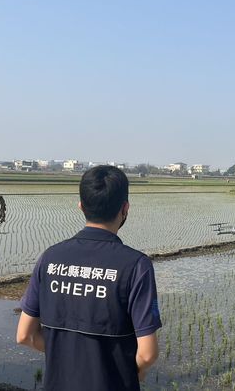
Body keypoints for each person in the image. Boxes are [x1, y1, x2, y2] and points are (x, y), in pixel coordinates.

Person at [16, 165, 161, 390]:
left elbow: (25, 335)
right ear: (125, 208)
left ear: (81, 206)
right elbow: (148, 353)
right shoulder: (136, 266)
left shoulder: (50, 258)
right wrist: (130, 371)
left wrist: (67, 354)